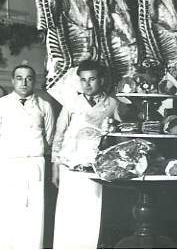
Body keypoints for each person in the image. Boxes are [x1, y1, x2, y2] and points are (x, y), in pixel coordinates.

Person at [0, 65, 55, 250]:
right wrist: (9, 154)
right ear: (12, 80)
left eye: (29, 78)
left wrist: (33, 151)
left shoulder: (44, 106)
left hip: (34, 165)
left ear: (34, 81)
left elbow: (49, 137)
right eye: (19, 77)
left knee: (32, 215)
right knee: (5, 212)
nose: (24, 82)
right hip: (8, 165)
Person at [52, 60, 121, 249]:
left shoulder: (112, 104)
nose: (87, 84)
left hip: (94, 166)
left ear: (101, 80)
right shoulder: (71, 102)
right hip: (69, 164)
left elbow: (118, 134)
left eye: (92, 79)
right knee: (67, 210)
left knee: (90, 212)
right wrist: (55, 165)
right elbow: (59, 133)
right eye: (83, 80)